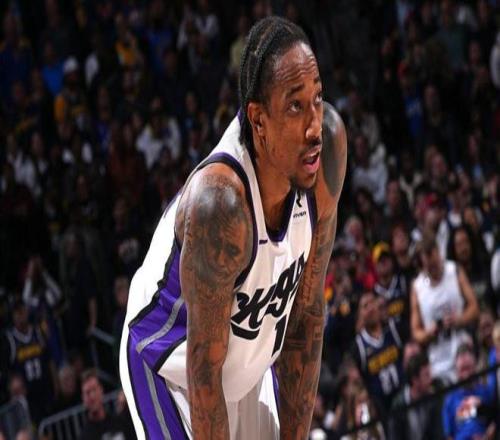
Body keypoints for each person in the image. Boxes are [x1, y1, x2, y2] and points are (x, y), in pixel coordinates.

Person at [119, 15, 347, 440]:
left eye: (317, 98)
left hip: (244, 364)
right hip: (172, 368)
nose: (314, 126)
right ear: (258, 120)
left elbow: (305, 321)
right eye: (295, 106)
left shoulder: (326, 151)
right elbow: (204, 375)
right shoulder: (220, 207)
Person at [410, 232, 479, 384]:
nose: (433, 268)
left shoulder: (454, 270)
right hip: (439, 361)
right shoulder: (417, 287)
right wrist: (430, 333)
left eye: (434, 263)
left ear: (439, 253)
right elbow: (416, 332)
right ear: (422, 262)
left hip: (463, 349)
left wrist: (459, 320)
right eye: (428, 266)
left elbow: (474, 307)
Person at [351, 291, 404, 411]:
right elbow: (358, 384)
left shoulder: (394, 329)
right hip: (382, 409)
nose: (370, 308)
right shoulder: (358, 347)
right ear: (360, 315)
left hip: (405, 398)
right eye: (365, 306)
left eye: (372, 302)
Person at [442, 344, 496, 440]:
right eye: (463, 369)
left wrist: (487, 436)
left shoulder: (486, 392)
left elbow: (494, 422)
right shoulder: (450, 399)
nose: (466, 374)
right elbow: (448, 435)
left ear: (474, 367)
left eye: (468, 368)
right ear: (457, 371)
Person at [389, 352, 443, 440]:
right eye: (426, 375)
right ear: (415, 380)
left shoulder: (434, 396)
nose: (431, 379)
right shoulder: (398, 406)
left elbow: (439, 433)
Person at [79, 369, 134, 440]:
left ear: (101, 390)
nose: (92, 396)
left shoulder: (119, 422)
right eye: (88, 392)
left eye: (94, 389)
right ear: (83, 398)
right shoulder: (85, 436)